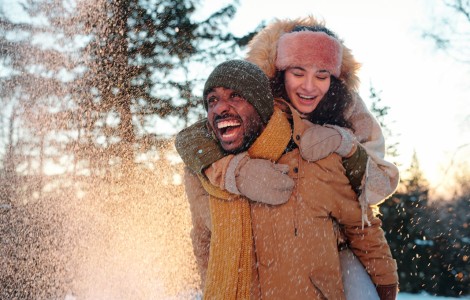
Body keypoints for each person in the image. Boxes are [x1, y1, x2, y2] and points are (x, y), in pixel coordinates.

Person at [177, 17, 399, 299]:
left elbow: (373, 190)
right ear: (279, 72)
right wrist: (234, 171)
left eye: (321, 75)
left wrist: (345, 145)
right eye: (298, 72)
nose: (309, 86)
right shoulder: (254, 102)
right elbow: (195, 136)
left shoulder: (347, 108)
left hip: (332, 249)